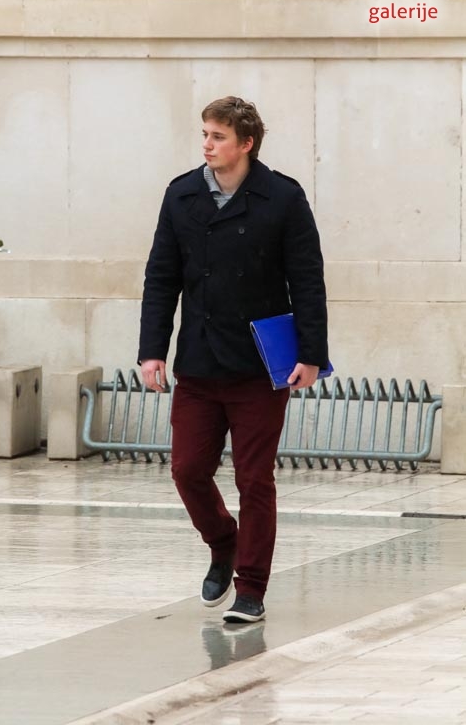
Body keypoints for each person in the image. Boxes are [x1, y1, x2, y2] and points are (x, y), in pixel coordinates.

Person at [138, 96, 328, 623]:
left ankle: (251, 588)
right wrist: (152, 350)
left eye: (218, 136)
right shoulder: (181, 194)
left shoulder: (283, 197)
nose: (207, 144)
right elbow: (161, 278)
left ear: (246, 143)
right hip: (198, 362)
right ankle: (224, 542)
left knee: (254, 478)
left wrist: (312, 354)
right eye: (204, 133)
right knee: (187, 470)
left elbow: (307, 280)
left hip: (259, 366)